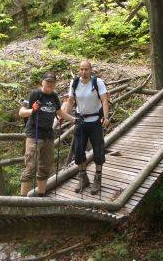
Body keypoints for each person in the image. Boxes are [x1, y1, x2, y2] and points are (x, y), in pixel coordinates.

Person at [19, 72, 75, 197]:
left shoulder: (54, 96)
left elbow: (60, 113)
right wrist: (32, 110)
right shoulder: (35, 94)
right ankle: (22, 201)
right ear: (42, 82)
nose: (49, 84)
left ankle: (41, 195)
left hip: (48, 135)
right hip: (34, 134)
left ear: (55, 83)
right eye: (47, 81)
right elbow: (21, 113)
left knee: (45, 166)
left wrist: (74, 120)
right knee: (30, 166)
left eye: (52, 82)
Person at [64, 60, 110, 195]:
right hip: (80, 121)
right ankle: (83, 178)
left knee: (98, 150)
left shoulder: (98, 82)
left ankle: (98, 178)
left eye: (86, 69)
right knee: (78, 150)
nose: (83, 72)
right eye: (81, 69)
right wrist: (65, 116)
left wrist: (106, 117)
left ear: (91, 70)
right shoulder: (75, 82)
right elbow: (70, 101)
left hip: (95, 121)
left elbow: (104, 100)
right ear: (79, 70)